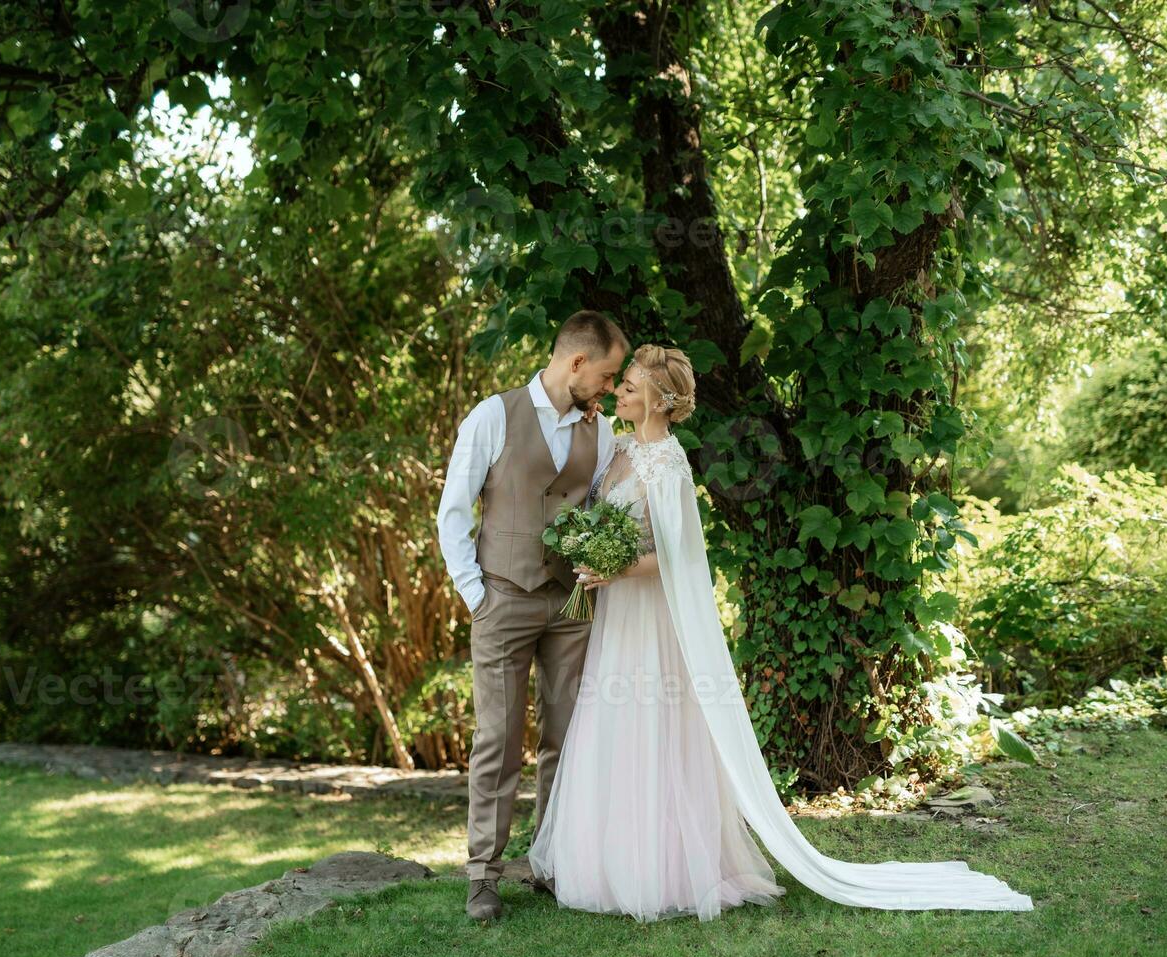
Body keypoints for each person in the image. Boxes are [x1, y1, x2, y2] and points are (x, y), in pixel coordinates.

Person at [527, 344, 1036, 922]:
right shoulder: (616, 448)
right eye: (620, 386)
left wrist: (616, 567)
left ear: (661, 400)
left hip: (652, 619)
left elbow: (680, 560)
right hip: (618, 617)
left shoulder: (668, 464)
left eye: (630, 387)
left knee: (653, 727)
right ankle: (605, 863)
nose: (618, 392)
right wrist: (593, 555)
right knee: (613, 724)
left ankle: (662, 869)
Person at [435, 309, 628, 921]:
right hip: (503, 598)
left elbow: (598, 512)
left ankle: (552, 863)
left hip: (572, 602)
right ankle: (484, 875)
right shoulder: (493, 416)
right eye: (605, 375)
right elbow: (453, 511)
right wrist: (477, 595)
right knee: (497, 737)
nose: (609, 387)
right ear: (575, 362)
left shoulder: (601, 434)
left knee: (565, 737)